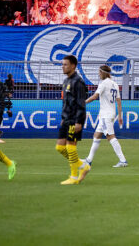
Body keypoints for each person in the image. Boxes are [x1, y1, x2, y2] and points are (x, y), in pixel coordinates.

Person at [83, 64, 128, 168]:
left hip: (105, 115)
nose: (99, 74)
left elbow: (95, 96)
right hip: (111, 113)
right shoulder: (115, 84)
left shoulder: (103, 84)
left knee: (110, 136)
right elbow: (119, 102)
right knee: (97, 136)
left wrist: (83, 103)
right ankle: (89, 160)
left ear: (103, 72)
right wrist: (120, 116)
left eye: (99, 72)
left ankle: (123, 160)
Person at [57, 55, 91, 185]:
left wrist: (79, 121)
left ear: (73, 66)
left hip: (74, 119)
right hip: (66, 119)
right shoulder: (66, 81)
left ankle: (73, 176)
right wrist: (62, 117)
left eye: (65, 64)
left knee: (70, 148)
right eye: (62, 64)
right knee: (60, 147)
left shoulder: (78, 82)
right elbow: (66, 102)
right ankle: (83, 165)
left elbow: (81, 104)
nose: (63, 66)